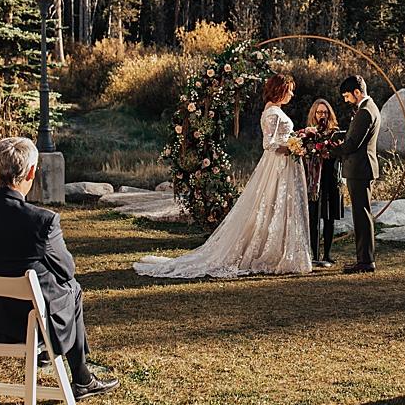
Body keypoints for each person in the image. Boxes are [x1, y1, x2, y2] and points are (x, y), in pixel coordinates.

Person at [0, 137, 119, 400]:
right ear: (31, 172)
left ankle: (70, 371)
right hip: (25, 326)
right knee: (72, 289)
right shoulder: (42, 221)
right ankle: (81, 377)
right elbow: (67, 270)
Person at [135, 74, 313, 278]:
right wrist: (292, 148)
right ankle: (268, 252)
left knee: (280, 205)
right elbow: (269, 144)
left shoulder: (276, 111)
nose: (292, 93)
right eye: (289, 89)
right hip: (278, 164)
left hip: (285, 165)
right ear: (279, 90)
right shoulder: (272, 112)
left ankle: (281, 249)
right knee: (273, 204)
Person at [329, 75, 381, 274]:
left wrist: (329, 151)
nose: (346, 100)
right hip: (361, 168)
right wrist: (341, 135)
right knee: (362, 213)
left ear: (357, 93)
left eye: (347, 96)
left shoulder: (365, 112)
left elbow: (353, 144)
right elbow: (354, 135)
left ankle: (365, 261)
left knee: (361, 215)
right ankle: (365, 259)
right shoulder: (369, 109)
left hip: (360, 169)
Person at [305, 98, 345, 268]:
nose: (323, 115)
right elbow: (304, 152)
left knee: (329, 217)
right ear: (314, 114)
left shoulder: (335, 132)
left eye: (326, 112)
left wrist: (336, 149)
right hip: (315, 180)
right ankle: (315, 254)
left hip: (331, 177)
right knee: (314, 217)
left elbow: (342, 153)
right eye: (320, 112)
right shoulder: (308, 133)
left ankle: (327, 254)